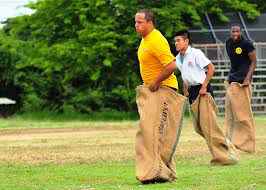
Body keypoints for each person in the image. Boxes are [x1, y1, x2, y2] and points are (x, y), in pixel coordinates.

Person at [134, 9, 186, 183]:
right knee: (152, 133)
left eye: (140, 22)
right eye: (135, 22)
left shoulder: (156, 39)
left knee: (155, 132)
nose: (137, 25)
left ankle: (156, 172)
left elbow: (171, 66)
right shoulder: (145, 40)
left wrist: (155, 82)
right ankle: (161, 171)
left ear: (150, 22)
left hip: (163, 90)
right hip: (153, 91)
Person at [174, 30, 238, 165]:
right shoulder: (178, 58)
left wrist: (204, 86)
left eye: (179, 40)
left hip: (202, 90)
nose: (176, 43)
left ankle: (224, 156)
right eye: (175, 41)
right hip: (192, 91)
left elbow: (211, 68)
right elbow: (185, 75)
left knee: (209, 125)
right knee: (199, 128)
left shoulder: (195, 53)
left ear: (186, 41)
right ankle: (227, 146)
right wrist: (185, 90)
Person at [225, 24, 256, 153]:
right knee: (231, 113)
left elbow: (254, 62)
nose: (235, 33)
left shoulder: (247, 44)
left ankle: (248, 144)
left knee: (243, 114)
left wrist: (247, 78)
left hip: (243, 82)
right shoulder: (228, 43)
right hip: (232, 80)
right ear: (230, 32)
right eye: (233, 31)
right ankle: (232, 141)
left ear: (240, 31)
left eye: (237, 31)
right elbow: (234, 62)